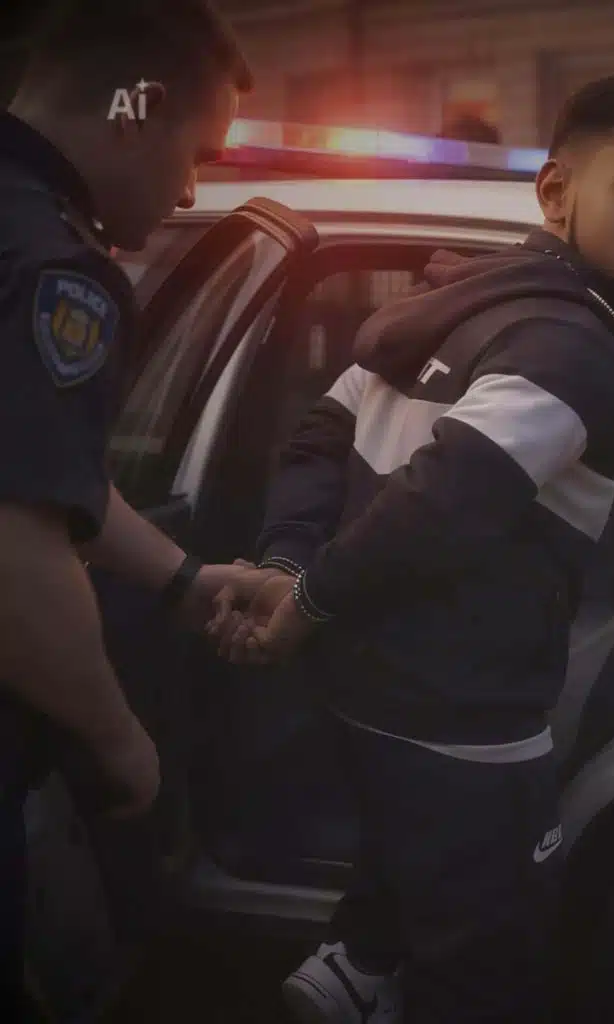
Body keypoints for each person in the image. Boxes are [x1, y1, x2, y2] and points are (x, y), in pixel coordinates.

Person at [209, 73, 614, 1024]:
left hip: (365, 691)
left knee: (407, 866)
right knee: (488, 964)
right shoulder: (578, 345)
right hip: (470, 725)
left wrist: (291, 568)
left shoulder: (447, 300)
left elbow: (320, 439)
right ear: (556, 193)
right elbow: (447, 499)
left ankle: (359, 965)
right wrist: (308, 599)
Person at [0, 0, 253, 1014]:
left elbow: (42, 475)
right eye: (198, 152)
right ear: (136, 108)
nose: (191, 187)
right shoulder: (54, 270)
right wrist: (116, 740)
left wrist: (183, 578)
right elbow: (15, 543)